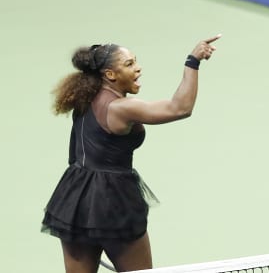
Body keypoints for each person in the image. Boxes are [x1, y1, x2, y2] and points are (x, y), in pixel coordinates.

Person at [41, 35, 221, 272]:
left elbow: (75, 152)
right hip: (114, 204)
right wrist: (193, 61)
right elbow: (180, 108)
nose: (138, 68)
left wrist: (81, 195)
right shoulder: (121, 108)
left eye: (135, 62)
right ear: (110, 75)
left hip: (74, 200)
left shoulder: (84, 97)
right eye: (129, 65)